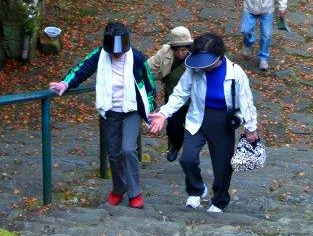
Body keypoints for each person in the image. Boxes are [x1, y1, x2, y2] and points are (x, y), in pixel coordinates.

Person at [148, 32, 258, 214]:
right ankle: (196, 190)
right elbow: (180, 93)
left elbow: (246, 101)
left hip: (222, 121)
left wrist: (251, 128)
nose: (204, 66)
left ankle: (220, 200)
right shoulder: (193, 69)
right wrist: (163, 113)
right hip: (197, 117)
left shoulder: (235, 72)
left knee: (222, 166)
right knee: (187, 158)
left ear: (219, 56)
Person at [50, 21, 155, 209]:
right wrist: (65, 84)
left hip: (131, 110)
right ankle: (118, 187)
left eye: (119, 51)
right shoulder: (100, 55)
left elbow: (149, 84)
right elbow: (83, 68)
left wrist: (152, 110)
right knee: (113, 154)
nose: (116, 54)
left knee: (128, 150)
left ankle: (135, 192)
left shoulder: (137, 58)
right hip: (110, 111)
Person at [145, 26, 193, 162]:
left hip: (193, 99)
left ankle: (190, 154)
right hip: (172, 96)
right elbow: (147, 67)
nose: (180, 53)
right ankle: (176, 145)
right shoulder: (165, 52)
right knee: (173, 126)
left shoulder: (197, 54)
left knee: (193, 127)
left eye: (184, 49)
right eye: (176, 49)